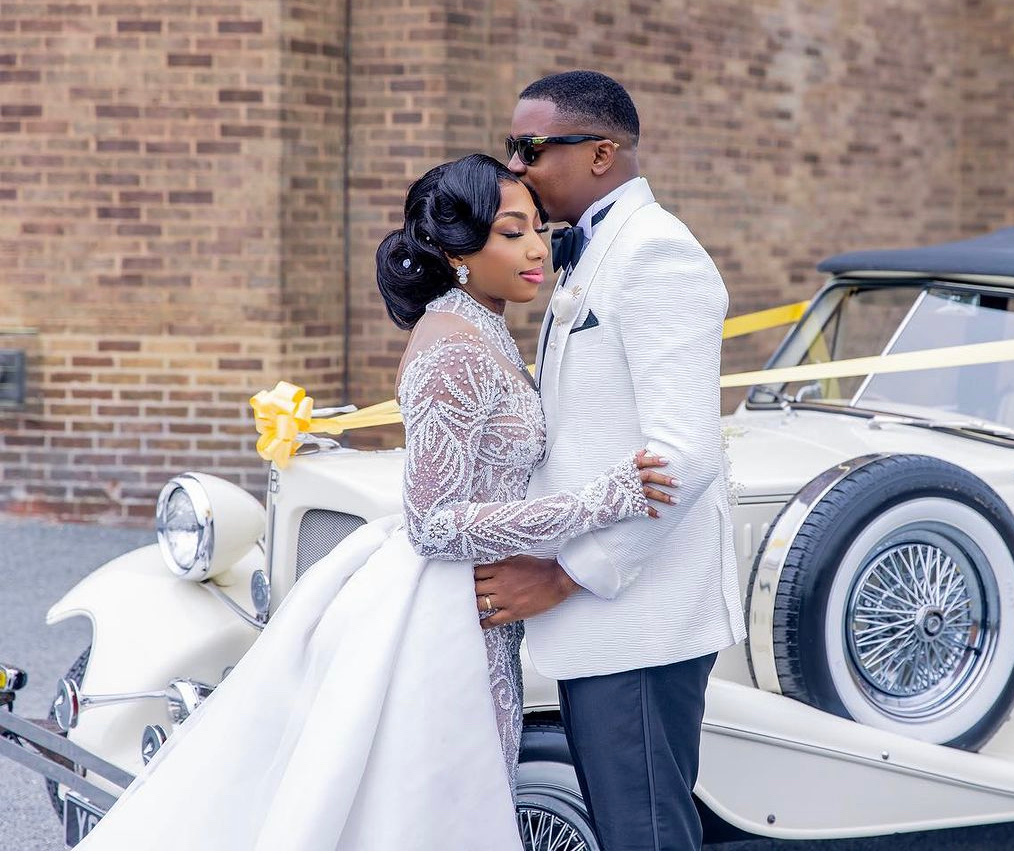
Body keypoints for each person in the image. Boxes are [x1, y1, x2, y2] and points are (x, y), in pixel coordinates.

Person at [78, 154, 676, 851]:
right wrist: (602, 501)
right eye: (512, 233)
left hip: (475, 603)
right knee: (434, 809)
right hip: (445, 616)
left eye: (539, 229)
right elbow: (434, 524)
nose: (538, 248)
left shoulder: (482, 325)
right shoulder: (453, 349)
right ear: (457, 251)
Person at [475, 71, 746, 850]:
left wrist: (563, 575)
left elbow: (684, 457)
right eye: (509, 147)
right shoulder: (589, 251)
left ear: (602, 153)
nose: (515, 167)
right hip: (607, 613)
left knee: (645, 835)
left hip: (640, 616)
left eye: (529, 147)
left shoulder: (658, 254)